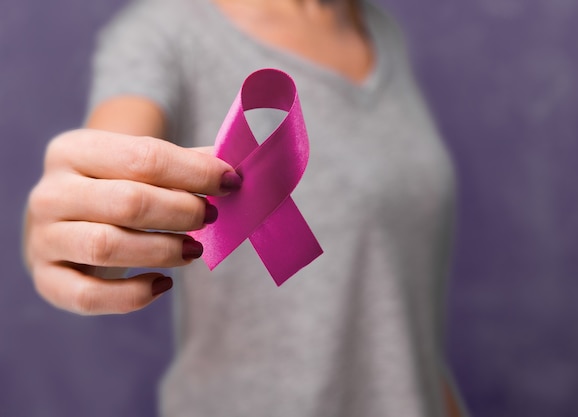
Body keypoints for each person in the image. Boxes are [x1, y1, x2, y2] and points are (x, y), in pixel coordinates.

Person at [22, 0, 465, 415]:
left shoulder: (383, 33)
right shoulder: (167, 34)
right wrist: (71, 227)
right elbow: (105, 176)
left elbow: (397, 304)